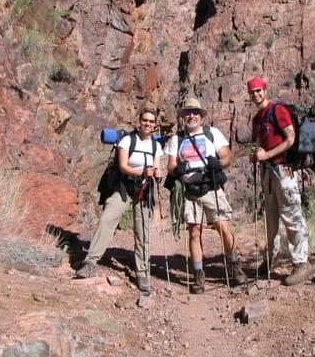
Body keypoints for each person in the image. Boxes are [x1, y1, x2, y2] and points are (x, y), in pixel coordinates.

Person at [76, 107, 163, 293]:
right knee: (108, 219)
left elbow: (156, 168)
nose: (147, 124)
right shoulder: (127, 140)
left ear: (155, 125)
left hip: (144, 190)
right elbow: (123, 166)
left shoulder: (156, 146)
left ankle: (142, 272)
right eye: (144, 120)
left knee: (143, 231)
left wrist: (158, 173)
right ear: (139, 121)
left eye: (151, 121)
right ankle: (90, 262)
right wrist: (142, 172)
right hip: (124, 187)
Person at [166, 98, 247, 294]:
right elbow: (170, 166)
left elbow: (227, 157)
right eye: (187, 112)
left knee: (224, 228)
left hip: (211, 188)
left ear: (201, 116)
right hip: (190, 192)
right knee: (194, 232)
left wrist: (217, 164)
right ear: (183, 116)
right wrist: (178, 170)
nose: (191, 116)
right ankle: (198, 275)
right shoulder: (176, 139)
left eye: (195, 112)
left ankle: (234, 266)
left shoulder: (213, 134)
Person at [247, 76, 310, 286]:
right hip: (267, 171)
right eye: (252, 92)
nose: (256, 94)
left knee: (292, 214)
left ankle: (300, 262)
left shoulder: (277, 110)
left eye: (258, 90)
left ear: (265, 89)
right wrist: (257, 156)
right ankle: (269, 260)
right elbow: (262, 145)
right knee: (271, 218)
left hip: (283, 170)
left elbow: (290, 139)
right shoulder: (257, 119)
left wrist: (267, 155)